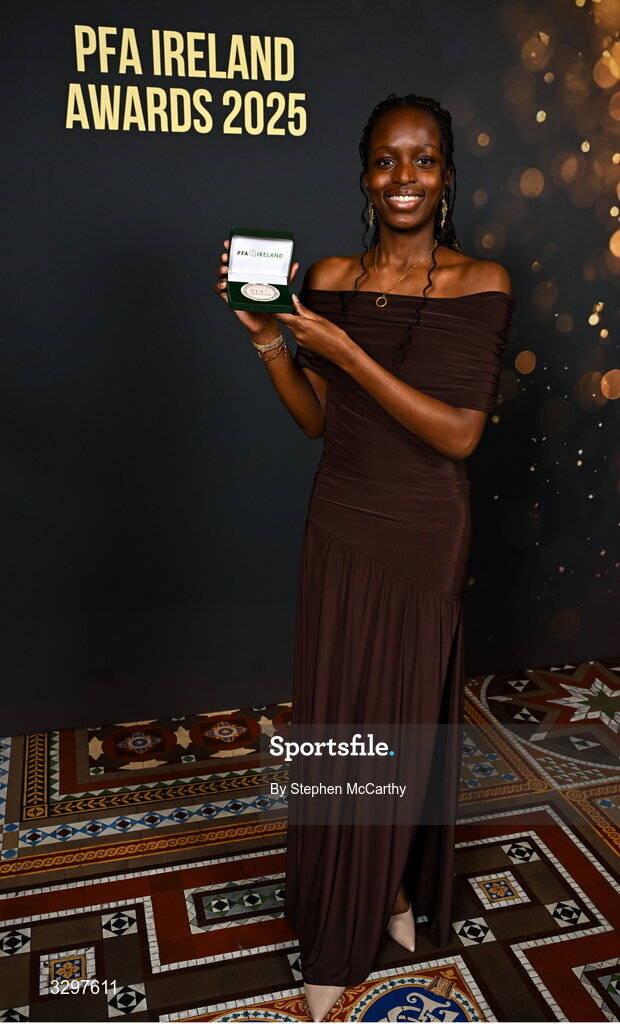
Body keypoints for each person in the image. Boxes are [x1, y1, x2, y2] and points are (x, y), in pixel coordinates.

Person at [215, 92, 515, 1022]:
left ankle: (353, 925)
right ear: (364, 172)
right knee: (345, 717)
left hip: (424, 530)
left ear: (448, 175)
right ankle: (372, 894)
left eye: (423, 161)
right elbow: (318, 422)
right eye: (387, 160)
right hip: (338, 517)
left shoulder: (481, 283)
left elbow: (459, 436)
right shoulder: (335, 275)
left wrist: (344, 347)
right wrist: (273, 344)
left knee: (395, 715)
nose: (404, 179)